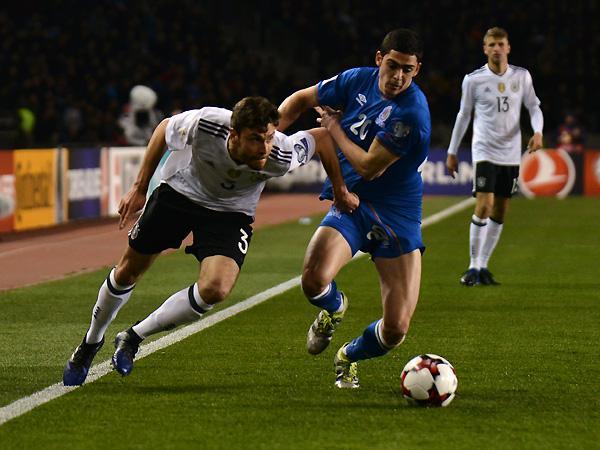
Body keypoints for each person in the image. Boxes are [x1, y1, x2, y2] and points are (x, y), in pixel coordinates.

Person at [63, 96, 357, 385]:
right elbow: (164, 129)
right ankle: (91, 342)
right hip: (179, 194)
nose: (264, 147)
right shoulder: (207, 123)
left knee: (216, 288)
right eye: (255, 139)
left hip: (230, 213)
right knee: (128, 271)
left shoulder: (281, 154)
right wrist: (140, 188)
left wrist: (340, 190)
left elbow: (322, 139)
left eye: (269, 138)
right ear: (234, 134)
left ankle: (132, 337)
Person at [277, 29, 430, 388]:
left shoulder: (411, 114)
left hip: (396, 213)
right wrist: (271, 135)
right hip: (351, 202)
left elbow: (368, 167)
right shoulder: (356, 79)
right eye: (392, 65)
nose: (398, 76)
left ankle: (348, 355)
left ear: (417, 70)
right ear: (379, 59)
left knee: (396, 329)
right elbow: (301, 99)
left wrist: (333, 127)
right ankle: (334, 307)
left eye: (407, 69)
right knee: (313, 279)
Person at [445, 27, 544, 286]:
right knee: (485, 205)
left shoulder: (521, 76)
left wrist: (538, 132)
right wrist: (452, 151)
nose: (496, 48)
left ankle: (483, 266)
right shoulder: (474, 80)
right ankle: (472, 266)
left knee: (500, 210)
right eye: (492, 44)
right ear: (485, 49)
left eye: (501, 44)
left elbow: (534, 107)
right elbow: (463, 115)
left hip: (511, 154)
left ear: (508, 47)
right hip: (484, 151)